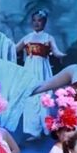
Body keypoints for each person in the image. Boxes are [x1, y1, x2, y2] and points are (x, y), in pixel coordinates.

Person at [15, 9, 66, 139]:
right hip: (29, 69)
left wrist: (66, 55)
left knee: (43, 96)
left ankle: (45, 128)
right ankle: (33, 131)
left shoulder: (48, 38)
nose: (37, 23)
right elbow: (14, 49)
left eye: (40, 20)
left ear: (44, 22)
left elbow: (56, 52)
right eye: (34, 20)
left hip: (42, 69)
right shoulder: (27, 38)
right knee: (30, 97)